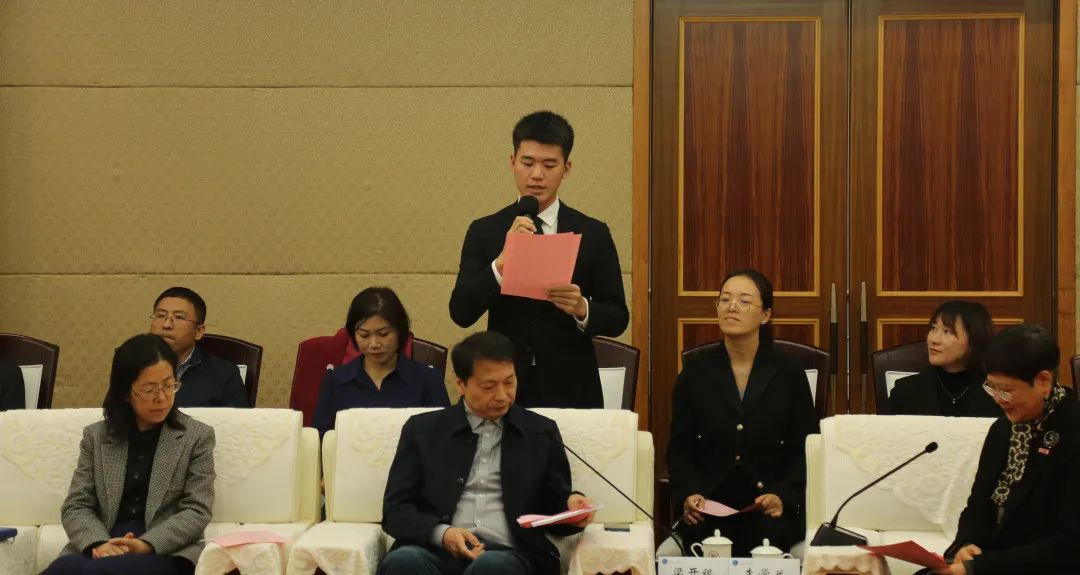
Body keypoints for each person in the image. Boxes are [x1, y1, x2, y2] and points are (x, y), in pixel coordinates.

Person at [448, 111, 628, 409]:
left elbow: (618, 316)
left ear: (566, 168)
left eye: (549, 165)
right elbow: (461, 311)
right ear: (512, 162)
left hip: (571, 386)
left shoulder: (592, 232)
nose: (536, 175)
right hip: (505, 386)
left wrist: (582, 308)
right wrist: (500, 265)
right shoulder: (485, 230)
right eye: (527, 162)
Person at [378, 331, 595, 575]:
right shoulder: (422, 430)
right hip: (433, 549)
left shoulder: (540, 431)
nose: (502, 395)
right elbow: (395, 510)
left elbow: (552, 508)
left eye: (509, 382)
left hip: (508, 555)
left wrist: (572, 509)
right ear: (461, 384)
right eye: (489, 386)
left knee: (492, 567)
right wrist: (442, 533)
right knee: (403, 562)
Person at [668, 269, 818, 557]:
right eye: (725, 300)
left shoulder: (789, 374)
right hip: (709, 507)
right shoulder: (695, 373)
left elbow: (805, 449)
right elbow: (680, 450)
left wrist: (784, 496)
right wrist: (688, 493)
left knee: (769, 539)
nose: (732, 307)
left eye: (744, 301)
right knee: (703, 542)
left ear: (766, 315)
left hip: (767, 507)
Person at [41, 333, 215, 575]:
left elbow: (197, 510)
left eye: (168, 385)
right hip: (104, 541)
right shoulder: (96, 437)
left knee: (99, 572)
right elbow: (76, 505)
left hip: (164, 549)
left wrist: (145, 544)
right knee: (62, 570)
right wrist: (99, 543)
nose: (162, 397)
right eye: (149, 389)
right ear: (125, 393)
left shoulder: (196, 436)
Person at [935, 325, 1080, 575]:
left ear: (1043, 381)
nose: (998, 399)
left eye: (1007, 390)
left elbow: (1070, 545)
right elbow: (977, 505)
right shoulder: (1002, 430)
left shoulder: (1073, 432)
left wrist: (980, 568)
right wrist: (967, 543)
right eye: (991, 387)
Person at [312, 287, 450, 437]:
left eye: (383, 334)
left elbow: (445, 439)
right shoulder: (336, 380)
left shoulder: (427, 379)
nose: (374, 344)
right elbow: (321, 440)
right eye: (364, 335)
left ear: (400, 331)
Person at [888, 301, 1000, 417]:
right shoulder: (905, 391)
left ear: (975, 338)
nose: (934, 340)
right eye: (933, 328)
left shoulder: (997, 394)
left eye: (947, 331)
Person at [149, 287, 248, 407]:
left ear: (198, 331)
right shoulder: (132, 365)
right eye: (160, 315)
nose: (166, 325)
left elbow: (237, 418)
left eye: (179, 317)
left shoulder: (226, 375)